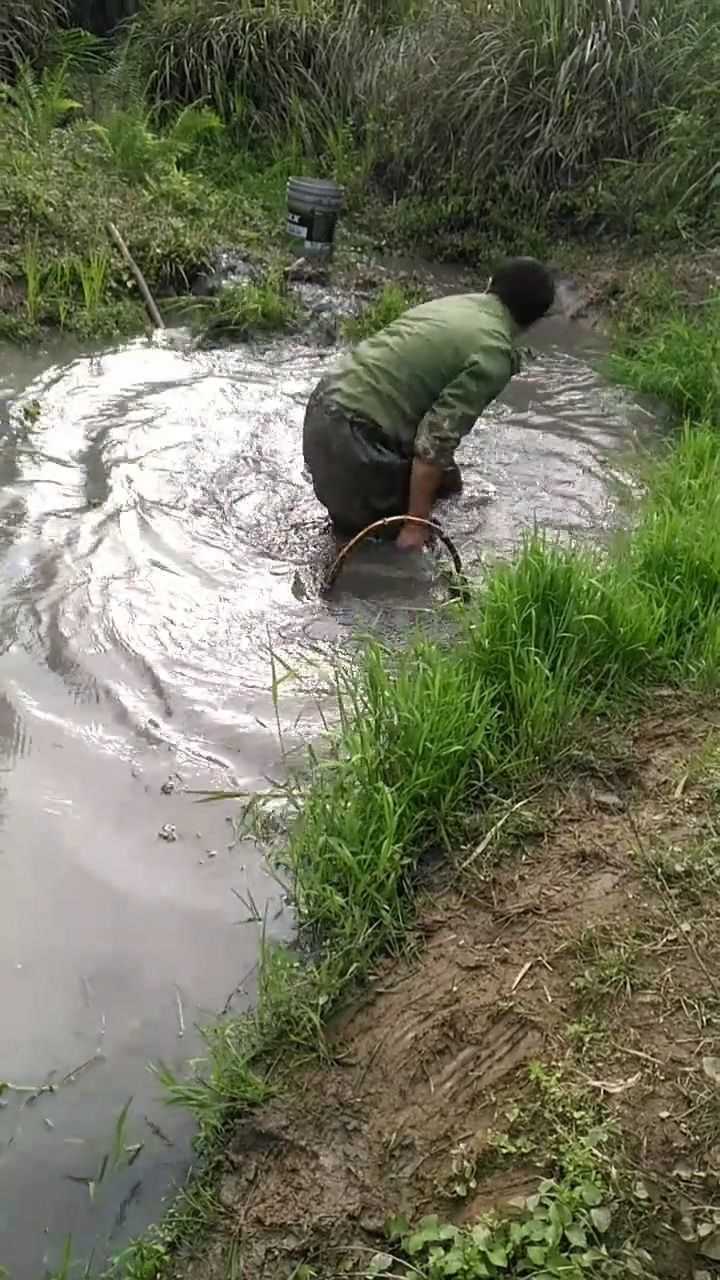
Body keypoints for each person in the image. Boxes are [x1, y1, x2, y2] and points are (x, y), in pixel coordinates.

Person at [303, 256, 555, 550]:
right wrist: (414, 525)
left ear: (489, 285)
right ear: (535, 321)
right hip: (354, 441)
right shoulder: (494, 352)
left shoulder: (454, 305)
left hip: (321, 409)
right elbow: (435, 443)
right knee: (382, 548)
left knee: (448, 486)